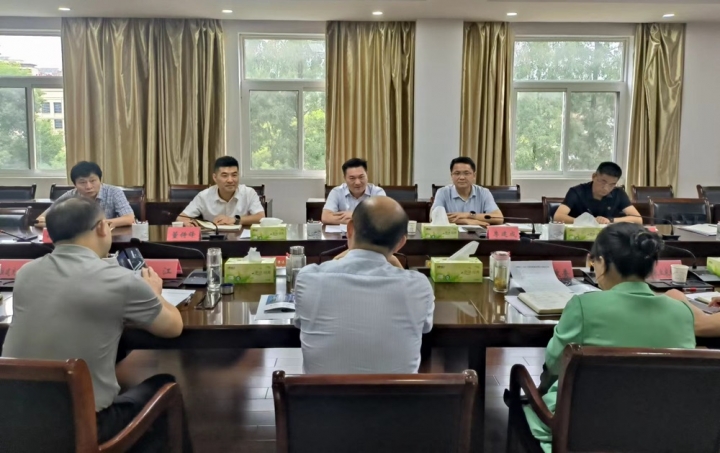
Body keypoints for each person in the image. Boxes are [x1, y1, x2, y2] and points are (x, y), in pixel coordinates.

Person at [2, 197, 192, 452]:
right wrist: (154, 292)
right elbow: (172, 328)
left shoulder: (26, 273)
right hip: (81, 428)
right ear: (103, 227)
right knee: (165, 383)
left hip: (13, 422)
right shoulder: (119, 280)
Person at [523, 223, 695, 452]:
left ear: (603, 262)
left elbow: (555, 365)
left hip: (585, 428)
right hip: (660, 430)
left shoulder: (584, 306)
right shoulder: (682, 312)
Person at [295, 196, 434, 374]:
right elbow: (426, 327)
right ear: (401, 243)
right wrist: (393, 261)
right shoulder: (419, 286)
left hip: (322, 393)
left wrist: (341, 257)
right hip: (396, 393)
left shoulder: (309, 278)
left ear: (350, 228)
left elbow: (299, 322)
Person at [35, 161, 135, 229]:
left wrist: (95, 225)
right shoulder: (70, 195)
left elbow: (129, 218)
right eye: (82, 182)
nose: (88, 186)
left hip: (108, 238)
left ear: (100, 180)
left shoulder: (114, 192)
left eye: (93, 181)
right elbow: (39, 220)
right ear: (75, 185)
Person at [176, 156, 265, 226]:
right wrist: (190, 223)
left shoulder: (249, 193)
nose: (230, 180)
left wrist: (234, 220)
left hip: (241, 239)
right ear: (215, 177)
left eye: (234, 175)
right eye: (224, 175)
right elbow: (181, 218)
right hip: (213, 240)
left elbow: (261, 217)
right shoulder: (204, 196)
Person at [554, 162, 642, 225]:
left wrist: (610, 220)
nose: (606, 188)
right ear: (594, 176)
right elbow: (558, 216)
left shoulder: (618, 193)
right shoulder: (577, 191)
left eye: (612, 184)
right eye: (603, 182)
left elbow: (638, 219)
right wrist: (587, 222)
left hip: (607, 236)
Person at [430, 157, 504, 226]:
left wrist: (469, 215)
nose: (462, 177)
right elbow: (433, 217)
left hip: (477, 234)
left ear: (474, 175)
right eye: (457, 173)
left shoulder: (484, 192)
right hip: (451, 235)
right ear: (451, 175)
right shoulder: (442, 192)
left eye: (466, 173)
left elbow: (498, 218)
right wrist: (466, 221)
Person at [322, 157, 386, 225]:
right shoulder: (336, 192)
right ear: (345, 178)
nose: (357, 182)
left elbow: (384, 217)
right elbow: (326, 217)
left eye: (361, 177)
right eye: (352, 178)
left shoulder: (377, 192)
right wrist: (365, 219)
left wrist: (354, 215)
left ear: (367, 175)